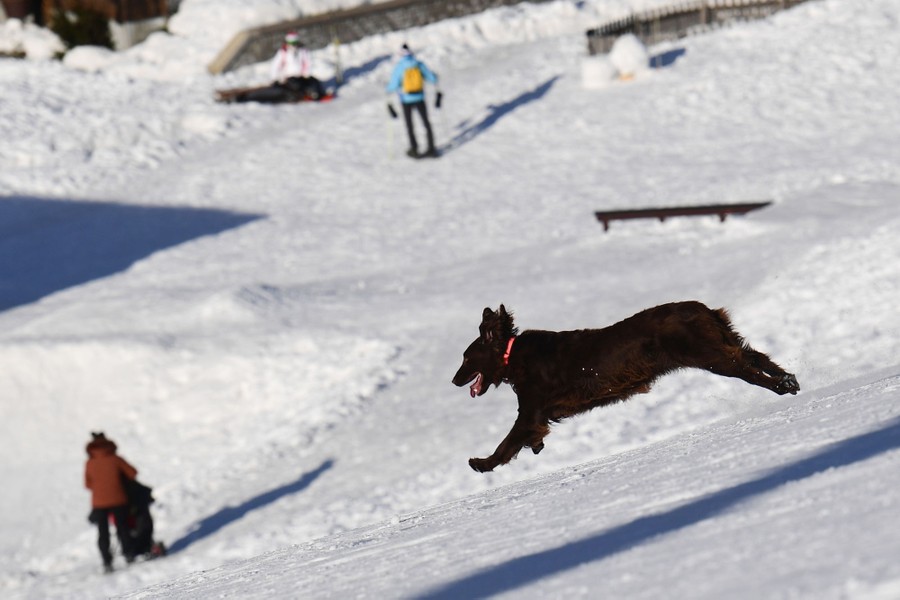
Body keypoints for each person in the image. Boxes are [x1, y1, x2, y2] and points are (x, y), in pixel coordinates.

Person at [85, 432, 137, 573]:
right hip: (118, 499)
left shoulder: (90, 463)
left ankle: (107, 562)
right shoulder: (115, 459)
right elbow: (132, 473)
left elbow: (88, 485)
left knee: (103, 533)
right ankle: (128, 554)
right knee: (122, 528)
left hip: (99, 503)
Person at [386, 43, 440, 158]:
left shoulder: (400, 67)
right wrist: (435, 78)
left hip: (406, 99)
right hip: (419, 97)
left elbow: (393, 85)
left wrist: (388, 90)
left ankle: (414, 148)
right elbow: (432, 78)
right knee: (426, 122)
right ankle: (431, 148)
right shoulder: (418, 64)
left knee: (410, 125)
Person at [270, 31, 325, 101]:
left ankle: (319, 95)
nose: (292, 45)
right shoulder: (283, 53)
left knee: (314, 82)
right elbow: (275, 66)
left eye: (294, 43)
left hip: (302, 76)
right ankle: (303, 96)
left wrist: (306, 73)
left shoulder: (302, 51)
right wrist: (276, 78)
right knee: (296, 86)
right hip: (288, 78)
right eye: (290, 43)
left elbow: (308, 62)